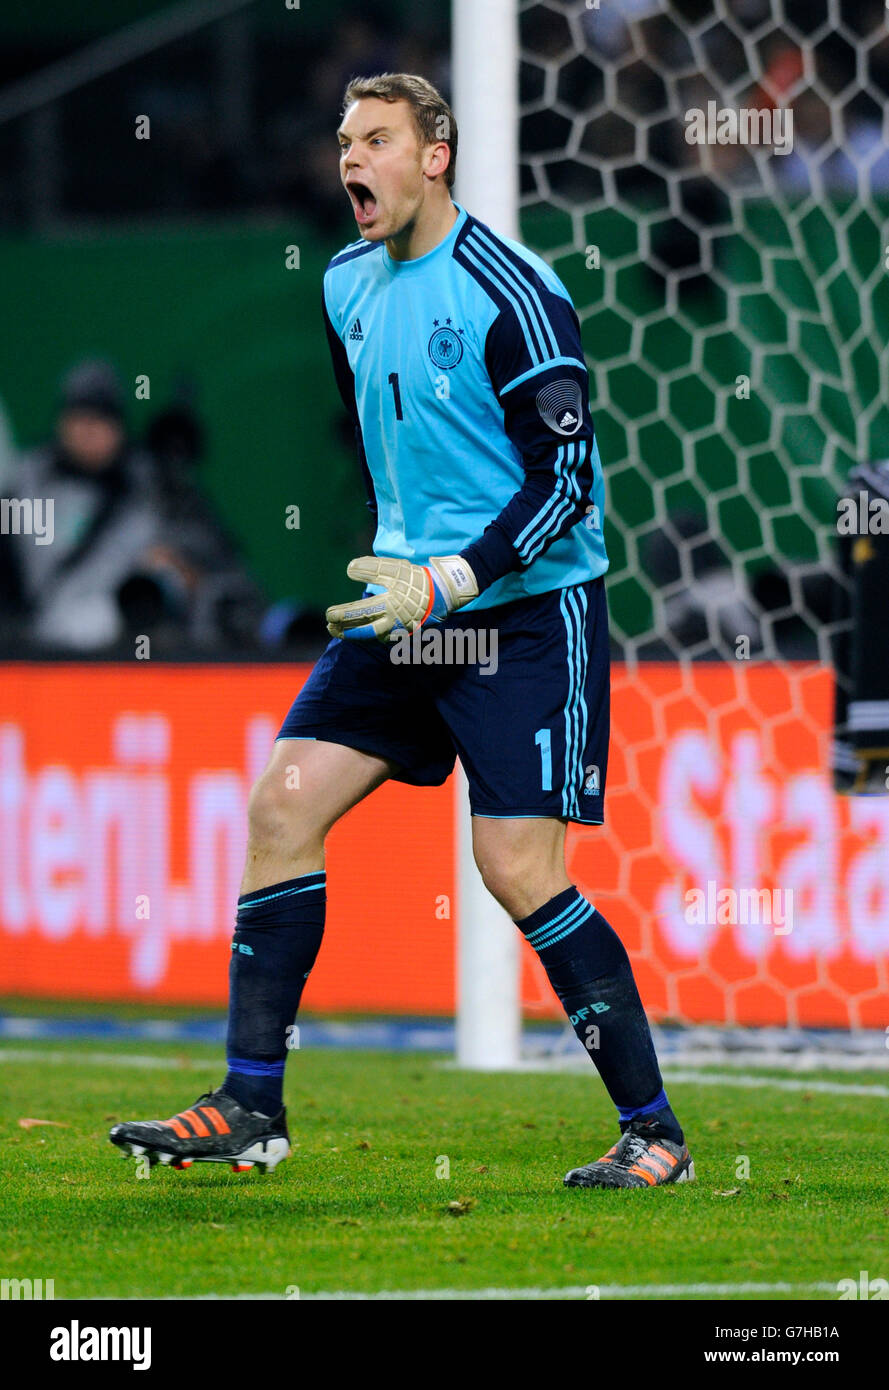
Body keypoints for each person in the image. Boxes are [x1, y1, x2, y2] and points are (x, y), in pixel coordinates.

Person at [110, 72, 694, 1191]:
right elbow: (381, 439)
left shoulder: (513, 290)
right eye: (341, 140)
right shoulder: (342, 285)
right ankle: (250, 1102)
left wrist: (458, 574)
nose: (348, 161)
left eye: (376, 139)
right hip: (407, 609)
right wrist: (412, 570)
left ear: (435, 155)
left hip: (523, 614)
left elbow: (566, 476)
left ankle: (653, 1128)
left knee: (515, 868)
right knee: (282, 803)